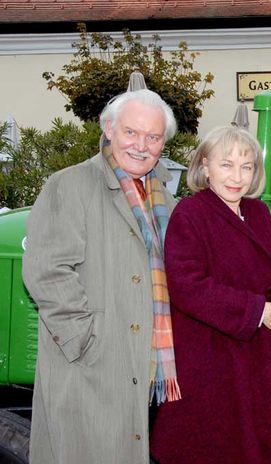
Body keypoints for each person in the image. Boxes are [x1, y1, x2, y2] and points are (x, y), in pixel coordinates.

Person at [23, 89, 180, 463]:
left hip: (144, 365)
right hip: (90, 365)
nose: (141, 145)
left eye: (153, 137)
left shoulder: (167, 202)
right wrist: (86, 340)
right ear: (109, 130)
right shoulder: (70, 185)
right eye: (131, 132)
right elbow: (46, 271)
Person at [149, 126, 271, 463]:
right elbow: (188, 286)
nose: (237, 176)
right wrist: (259, 311)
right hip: (211, 356)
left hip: (261, 355)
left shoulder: (259, 214)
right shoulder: (190, 214)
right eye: (226, 165)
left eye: (247, 166)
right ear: (205, 166)